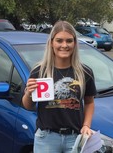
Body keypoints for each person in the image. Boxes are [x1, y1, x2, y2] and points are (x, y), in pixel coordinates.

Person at [22, 20, 96, 153]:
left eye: (69, 41)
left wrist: (86, 125)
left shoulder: (85, 72)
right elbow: (28, 106)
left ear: (74, 43)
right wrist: (28, 93)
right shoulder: (39, 71)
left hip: (75, 138)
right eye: (59, 40)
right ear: (51, 43)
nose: (64, 45)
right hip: (47, 138)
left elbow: (89, 102)